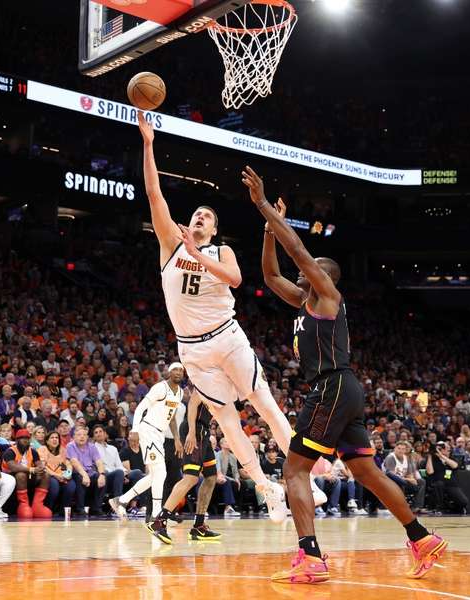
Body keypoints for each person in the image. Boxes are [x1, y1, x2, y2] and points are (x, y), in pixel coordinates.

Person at [245, 167, 445, 584]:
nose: (303, 270)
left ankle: (311, 557)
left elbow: (297, 250)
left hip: (333, 386)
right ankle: (422, 538)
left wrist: (264, 203)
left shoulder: (329, 296)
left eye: (312, 268)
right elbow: (269, 276)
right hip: (344, 388)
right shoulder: (303, 300)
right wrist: (268, 228)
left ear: (325, 276)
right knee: (367, 472)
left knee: (295, 470)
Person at [137, 112, 289, 522]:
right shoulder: (171, 244)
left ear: (215, 228)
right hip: (192, 352)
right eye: (197, 214)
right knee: (227, 422)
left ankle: (300, 477)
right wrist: (149, 143)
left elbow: (237, 280)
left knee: (265, 403)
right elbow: (154, 195)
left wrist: (200, 253)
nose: (200, 217)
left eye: (208, 216)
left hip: (227, 336)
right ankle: (266, 486)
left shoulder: (220, 252)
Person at [110, 363, 184, 521]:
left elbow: (170, 418)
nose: (179, 372)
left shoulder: (180, 393)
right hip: (148, 430)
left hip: (160, 434)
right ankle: (157, 513)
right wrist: (135, 429)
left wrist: (177, 438)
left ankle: (121, 500)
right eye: (175, 370)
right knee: (161, 472)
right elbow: (140, 408)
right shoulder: (160, 388)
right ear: (169, 373)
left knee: (154, 476)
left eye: (181, 370)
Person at [146, 389, 221, 543]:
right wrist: (192, 432)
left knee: (211, 477)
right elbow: (193, 404)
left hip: (204, 432)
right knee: (191, 478)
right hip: (195, 430)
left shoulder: (222, 389)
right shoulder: (205, 381)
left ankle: (198, 526)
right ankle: (159, 521)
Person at [2, 428, 51, 519]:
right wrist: (32, 469)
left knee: (46, 475)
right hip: (10, 477)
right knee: (21, 474)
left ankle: (38, 506)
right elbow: (13, 467)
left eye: (27, 438)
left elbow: (39, 464)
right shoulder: (10, 451)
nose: (25, 440)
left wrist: (41, 468)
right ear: (17, 440)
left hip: (28, 476)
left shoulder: (32, 451)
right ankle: (23, 505)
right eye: (22, 438)